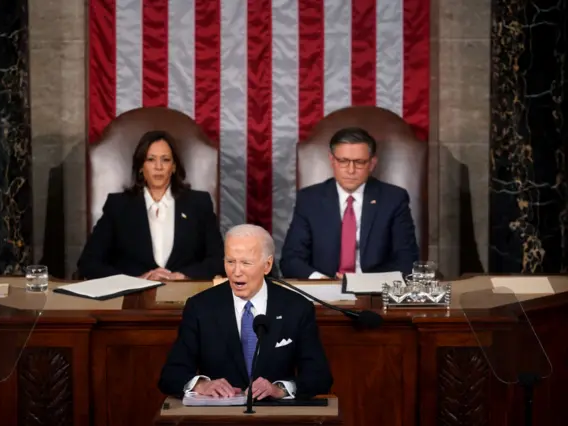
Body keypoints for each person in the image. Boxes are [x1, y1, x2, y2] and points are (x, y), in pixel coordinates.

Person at [158, 224, 333, 400]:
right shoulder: (200, 307)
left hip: (274, 416)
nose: (236, 272)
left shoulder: (296, 308)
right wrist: (202, 385)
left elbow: (319, 378)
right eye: (230, 261)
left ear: (267, 265)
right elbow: (171, 376)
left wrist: (279, 389)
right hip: (219, 417)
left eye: (246, 263)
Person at [77, 130, 225, 281]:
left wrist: (183, 276)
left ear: (173, 167)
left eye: (165, 160)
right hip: (133, 298)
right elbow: (89, 263)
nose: (158, 167)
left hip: (187, 296)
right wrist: (136, 280)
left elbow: (220, 260)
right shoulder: (118, 206)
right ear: (141, 166)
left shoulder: (199, 203)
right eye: (151, 159)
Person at [280, 127, 419, 279]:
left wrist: (364, 282)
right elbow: (291, 260)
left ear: (372, 164)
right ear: (332, 161)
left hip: (373, 292)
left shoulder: (393, 199)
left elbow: (407, 260)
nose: (351, 170)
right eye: (343, 161)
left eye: (359, 162)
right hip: (323, 290)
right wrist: (321, 280)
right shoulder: (309, 199)